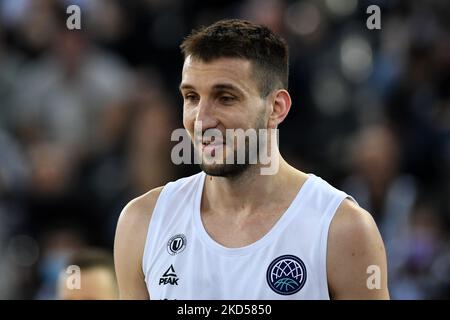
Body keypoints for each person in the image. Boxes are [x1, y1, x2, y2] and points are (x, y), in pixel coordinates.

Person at [114, 19, 389, 300]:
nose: (202, 119)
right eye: (192, 97)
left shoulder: (343, 230)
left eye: (225, 98)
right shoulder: (142, 223)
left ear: (276, 107)